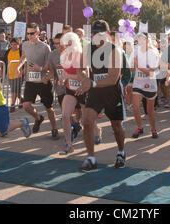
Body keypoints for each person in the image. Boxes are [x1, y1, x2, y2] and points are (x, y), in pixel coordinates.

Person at [75, 20, 126, 172]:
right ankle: (91, 158)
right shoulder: (88, 49)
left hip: (112, 91)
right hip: (95, 91)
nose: (96, 37)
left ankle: (121, 152)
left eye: (100, 33)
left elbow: (113, 78)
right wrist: (84, 78)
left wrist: (92, 83)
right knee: (88, 121)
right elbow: (80, 68)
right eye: (94, 33)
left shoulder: (114, 50)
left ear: (107, 34)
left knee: (116, 126)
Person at [16, 22, 59, 139]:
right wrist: (18, 67)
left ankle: (54, 128)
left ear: (38, 33)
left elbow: (49, 66)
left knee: (48, 108)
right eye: (28, 33)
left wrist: (39, 68)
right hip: (30, 81)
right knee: (25, 105)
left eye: (32, 33)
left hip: (43, 82)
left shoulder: (45, 47)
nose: (29, 36)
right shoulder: (24, 45)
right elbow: (23, 57)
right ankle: (38, 118)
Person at [57, 32, 90, 155]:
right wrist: (62, 78)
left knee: (87, 119)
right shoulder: (65, 56)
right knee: (65, 116)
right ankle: (68, 144)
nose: (68, 46)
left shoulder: (81, 56)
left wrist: (69, 76)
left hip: (83, 90)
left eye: (70, 43)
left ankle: (97, 132)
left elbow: (86, 76)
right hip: (70, 90)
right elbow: (65, 73)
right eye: (66, 43)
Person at [131, 33, 160, 139]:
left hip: (150, 84)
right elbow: (132, 69)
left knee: (150, 111)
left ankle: (153, 129)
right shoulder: (135, 51)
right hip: (138, 83)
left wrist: (138, 65)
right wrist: (132, 65)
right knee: (135, 107)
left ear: (147, 40)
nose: (140, 41)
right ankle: (140, 128)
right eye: (138, 40)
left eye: (143, 39)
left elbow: (150, 72)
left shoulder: (153, 53)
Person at [3, 38, 23, 113]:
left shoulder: (21, 52)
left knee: (14, 90)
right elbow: (4, 61)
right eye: (12, 44)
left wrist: (23, 72)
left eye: (15, 44)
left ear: (19, 44)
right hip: (10, 74)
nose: (13, 46)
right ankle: (22, 100)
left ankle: (12, 105)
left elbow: (24, 62)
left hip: (19, 75)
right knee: (16, 91)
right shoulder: (8, 51)